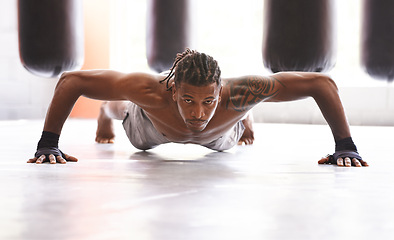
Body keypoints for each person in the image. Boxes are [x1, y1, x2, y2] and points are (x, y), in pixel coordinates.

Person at [28, 49, 368, 167]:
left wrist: (345, 147)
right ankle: (106, 113)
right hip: (152, 129)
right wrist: (48, 143)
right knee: (123, 106)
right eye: (188, 100)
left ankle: (244, 118)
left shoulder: (239, 92)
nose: (197, 113)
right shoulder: (153, 90)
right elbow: (72, 81)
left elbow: (322, 84)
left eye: (208, 101)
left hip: (222, 135)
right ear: (174, 90)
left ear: (220, 92)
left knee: (240, 108)